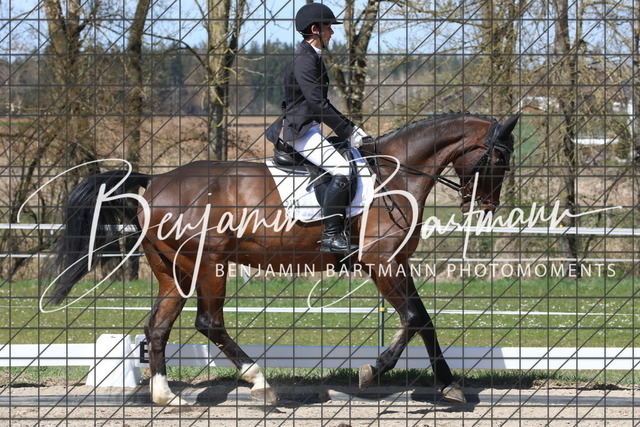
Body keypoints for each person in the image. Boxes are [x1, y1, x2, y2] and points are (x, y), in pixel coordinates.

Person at [281, 2, 369, 254]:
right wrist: (349, 131)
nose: (332, 32)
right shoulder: (305, 60)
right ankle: (331, 236)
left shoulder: (311, 57)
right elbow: (318, 104)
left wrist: (349, 129)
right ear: (315, 29)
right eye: (328, 27)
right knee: (343, 169)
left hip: (309, 128)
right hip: (301, 132)